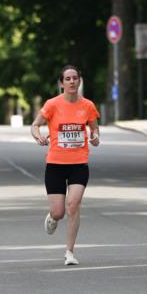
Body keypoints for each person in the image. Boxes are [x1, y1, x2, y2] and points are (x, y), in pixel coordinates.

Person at [30, 65, 100, 266]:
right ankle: (52, 217)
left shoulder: (87, 106)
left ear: (79, 81)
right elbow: (35, 125)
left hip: (79, 163)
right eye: (67, 79)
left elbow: (94, 129)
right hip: (56, 164)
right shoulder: (52, 104)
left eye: (74, 78)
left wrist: (95, 137)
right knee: (59, 211)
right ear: (62, 83)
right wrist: (39, 136)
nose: (71, 82)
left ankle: (69, 252)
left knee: (73, 205)